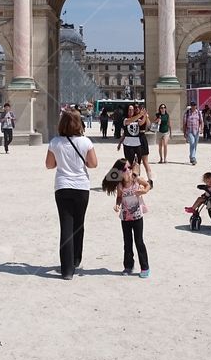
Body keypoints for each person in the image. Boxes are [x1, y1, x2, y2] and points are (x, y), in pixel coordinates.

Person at [45, 109, 98, 280]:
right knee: (79, 224)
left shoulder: (55, 142)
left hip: (62, 187)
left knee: (65, 226)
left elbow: (49, 165)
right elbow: (93, 164)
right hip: (81, 187)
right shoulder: (85, 142)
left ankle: (67, 270)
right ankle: (76, 259)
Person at [101, 157, 151, 278]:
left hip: (137, 216)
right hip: (125, 217)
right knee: (127, 242)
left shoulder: (135, 178)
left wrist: (143, 191)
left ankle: (145, 267)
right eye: (125, 168)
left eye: (129, 167)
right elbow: (119, 197)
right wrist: (117, 205)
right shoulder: (119, 184)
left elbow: (147, 185)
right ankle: (128, 266)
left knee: (139, 241)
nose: (128, 170)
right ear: (119, 172)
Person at [182, 101, 203, 166]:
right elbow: (184, 123)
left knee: (195, 145)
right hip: (189, 131)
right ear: (190, 106)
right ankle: (193, 157)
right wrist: (184, 132)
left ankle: (191, 157)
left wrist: (201, 129)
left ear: (196, 106)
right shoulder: (187, 113)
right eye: (192, 105)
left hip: (196, 131)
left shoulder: (198, 113)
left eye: (194, 105)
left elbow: (201, 122)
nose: (193, 106)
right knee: (192, 143)